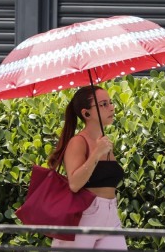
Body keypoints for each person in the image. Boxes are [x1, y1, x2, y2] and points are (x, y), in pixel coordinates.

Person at [47, 85, 127, 250]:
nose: (111, 107)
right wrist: (96, 153)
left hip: (110, 215)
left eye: (110, 102)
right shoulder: (78, 142)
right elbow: (75, 184)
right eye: (103, 104)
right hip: (84, 215)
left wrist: (100, 150)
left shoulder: (105, 143)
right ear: (86, 113)